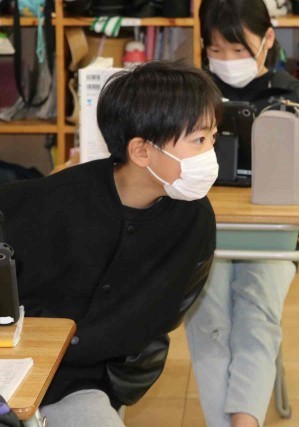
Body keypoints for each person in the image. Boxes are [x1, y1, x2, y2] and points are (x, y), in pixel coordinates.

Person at [0, 60, 221, 427]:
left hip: (78, 386)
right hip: (14, 368)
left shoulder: (194, 220)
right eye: (199, 140)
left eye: (212, 137)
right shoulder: (53, 201)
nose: (211, 153)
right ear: (141, 152)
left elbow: (164, 316)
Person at [185, 0, 299, 426]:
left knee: (256, 312)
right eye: (216, 50)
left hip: (273, 235)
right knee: (206, 317)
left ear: (268, 39)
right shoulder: (190, 95)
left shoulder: (294, 98)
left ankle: (244, 421)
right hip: (205, 234)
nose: (227, 61)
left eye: (239, 50)